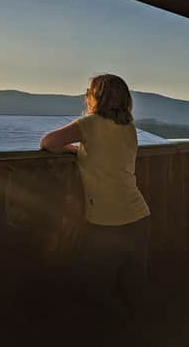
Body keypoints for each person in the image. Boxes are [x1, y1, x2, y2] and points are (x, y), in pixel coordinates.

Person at [39, 74, 151, 321]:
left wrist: (73, 149)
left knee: (95, 287)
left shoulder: (89, 125)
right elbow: (108, 155)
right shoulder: (129, 128)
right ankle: (141, 333)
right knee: (132, 286)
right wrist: (82, 150)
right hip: (138, 216)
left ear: (95, 97)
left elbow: (48, 141)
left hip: (107, 221)